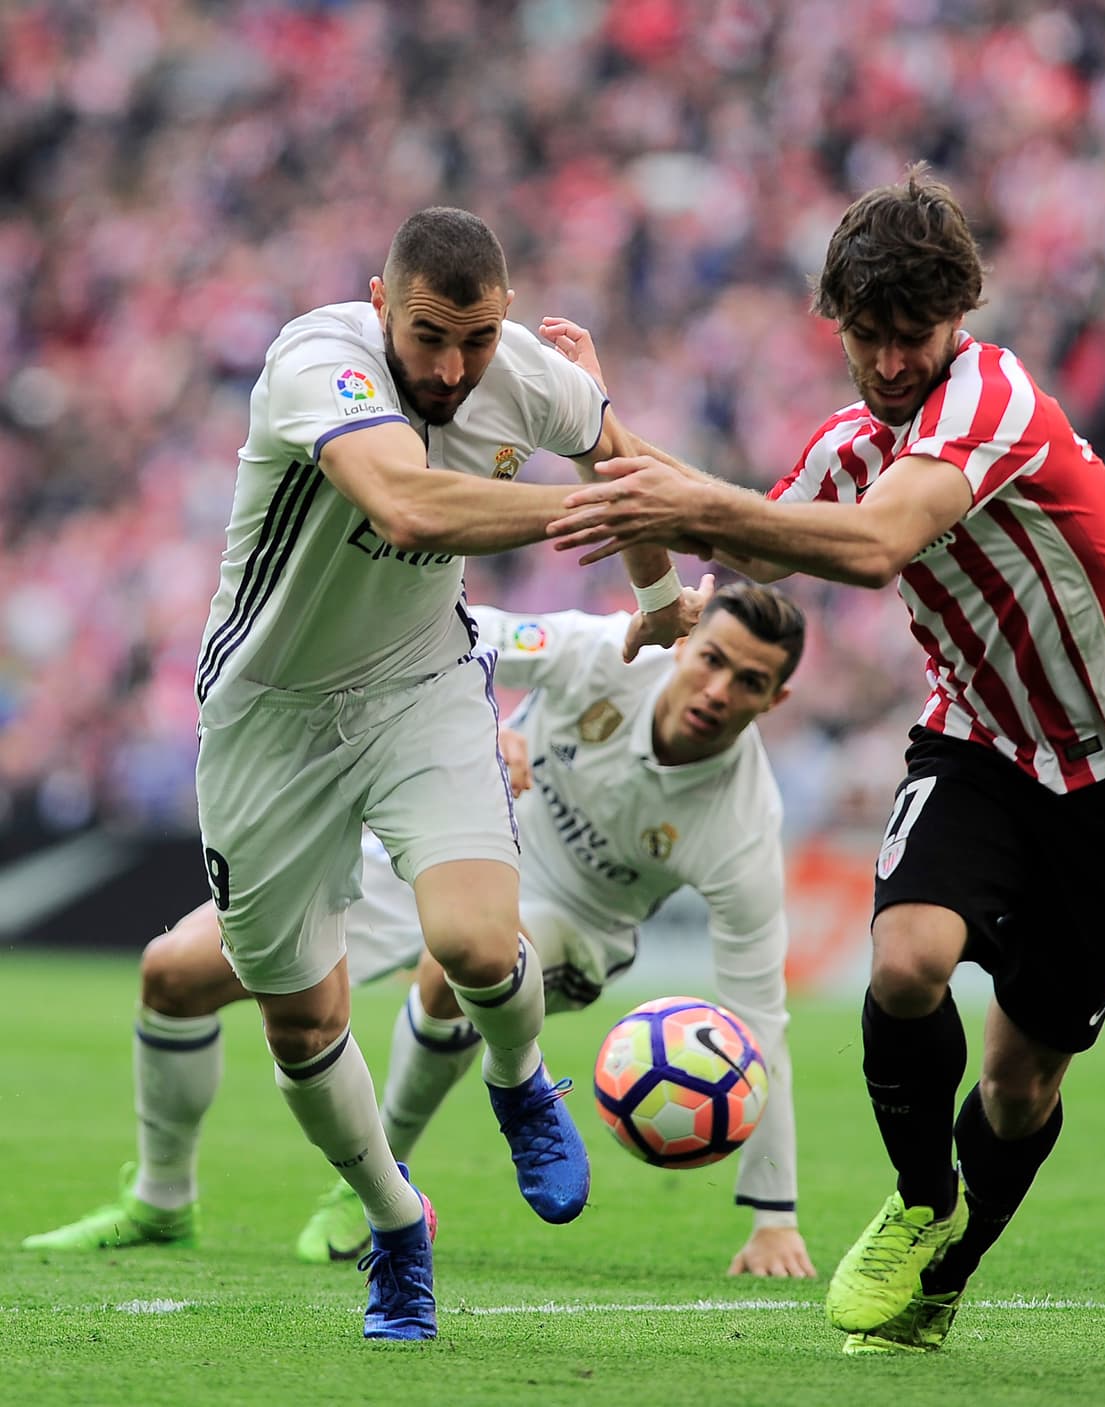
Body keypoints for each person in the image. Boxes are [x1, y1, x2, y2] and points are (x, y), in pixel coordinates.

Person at [546, 165, 1105, 1355]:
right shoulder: (854, 439)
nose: (893, 363)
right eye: (868, 337)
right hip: (978, 744)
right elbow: (740, 542)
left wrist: (681, 492)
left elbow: (871, 545)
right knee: (903, 965)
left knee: (1017, 1086)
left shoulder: (987, 397)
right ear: (834, 324)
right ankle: (915, 1198)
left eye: (915, 337)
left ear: (960, 323)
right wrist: (594, 427)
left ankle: (949, 1270)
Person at [170, 205, 706, 1342]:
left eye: (476, 338)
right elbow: (410, 507)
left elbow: (624, 461)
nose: (453, 368)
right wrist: (594, 507)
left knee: (470, 942)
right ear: (380, 303)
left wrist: (659, 605)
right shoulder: (319, 359)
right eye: (428, 338)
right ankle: (394, 1221)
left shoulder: (534, 378)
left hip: (421, 684)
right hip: (267, 717)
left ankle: (520, 1083)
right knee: (301, 1021)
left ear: (503, 318)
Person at [23, 584, 816, 1280]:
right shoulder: (604, 650)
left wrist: (773, 1213)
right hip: (450, 848)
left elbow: (759, 1016)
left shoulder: (743, 822)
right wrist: (474, 719)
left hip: (573, 927)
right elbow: (465, 628)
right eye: (709, 658)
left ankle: (375, 1178)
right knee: (172, 972)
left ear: (775, 701)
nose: (717, 688)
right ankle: (163, 1202)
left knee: (459, 962)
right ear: (684, 642)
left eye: (749, 681)